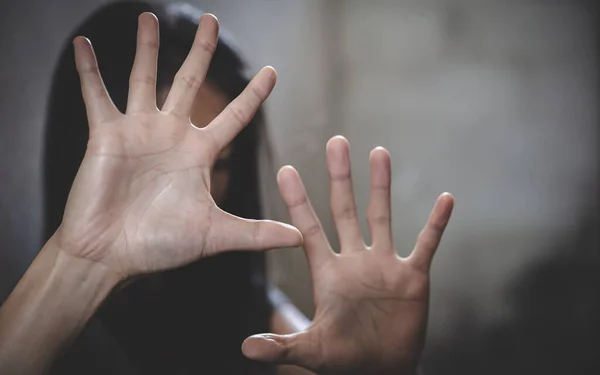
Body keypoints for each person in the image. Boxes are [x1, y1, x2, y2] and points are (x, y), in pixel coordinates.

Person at [0, 3, 454, 375]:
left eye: (223, 165)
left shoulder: (239, 304)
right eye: (156, 169)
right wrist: (83, 262)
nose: (196, 195)